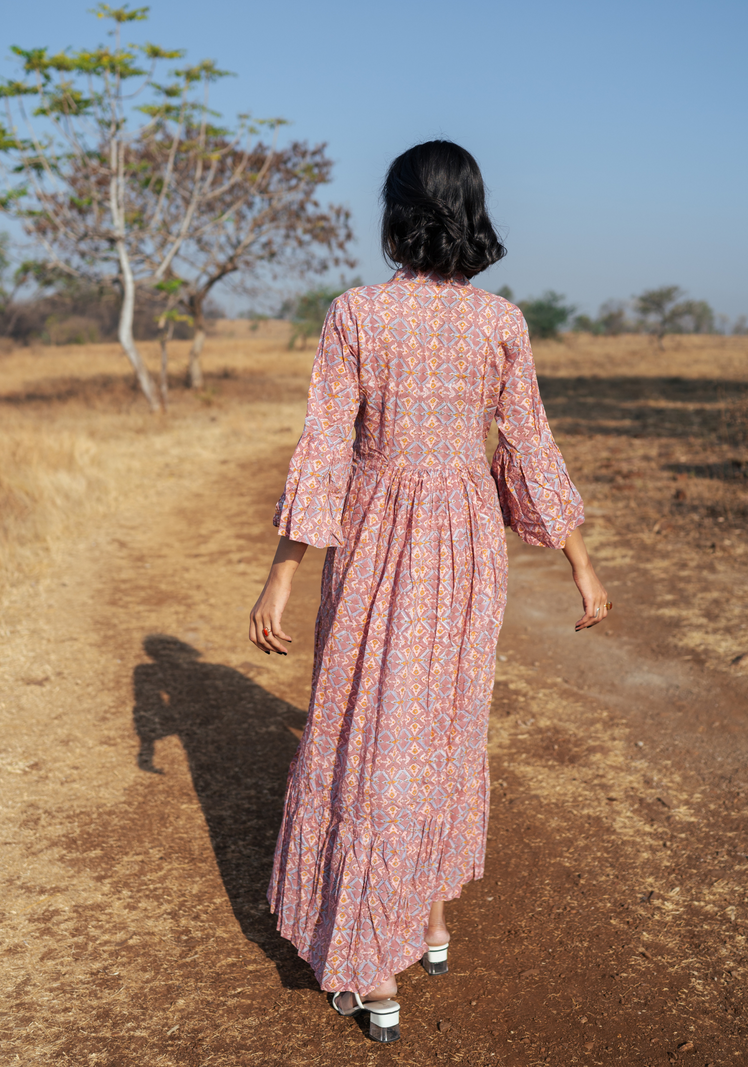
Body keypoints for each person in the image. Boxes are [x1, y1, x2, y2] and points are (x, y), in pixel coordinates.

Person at [249, 140, 610, 1043]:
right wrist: (580, 560)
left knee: (372, 737)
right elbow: (528, 448)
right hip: (465, 547)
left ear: (399, 213)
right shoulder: (502, 324)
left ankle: (375, 969)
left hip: (379, 548)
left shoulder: (355, 315)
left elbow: (326, 450)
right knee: (445, 726)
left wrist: (282, 574)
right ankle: (432, 922)